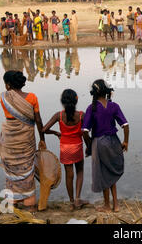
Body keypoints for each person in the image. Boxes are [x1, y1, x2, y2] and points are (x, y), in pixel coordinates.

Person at [0, 70, 46, 212]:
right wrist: (42, 139)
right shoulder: (32, 97)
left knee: (12, 169)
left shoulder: (4, 97)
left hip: (9, 139)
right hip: (26, 139)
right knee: (27, 168)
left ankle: (12, 201)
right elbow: (38, 120)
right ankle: (29, 204)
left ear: (8, 85)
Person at [82, 80, 130, 213]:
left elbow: (85, 131)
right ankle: (116, 205)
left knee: (103, 174)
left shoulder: (92, 108)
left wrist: (89, 144)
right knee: (111, 173)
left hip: (99, 142)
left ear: (94, 93)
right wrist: (125, 141)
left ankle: (107, 206)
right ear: (107, 92)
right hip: (114, 141)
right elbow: (125, 125)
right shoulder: (113, 106)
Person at [42, 89, 89, 210]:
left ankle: (72, 202)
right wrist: (90, 146)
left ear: (62, 101)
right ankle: (78, 198)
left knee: (69, 175)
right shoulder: (81, 115)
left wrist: (56, 133)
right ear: (76, 100)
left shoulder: (59, 115)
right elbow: (86, 132)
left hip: (65, 148)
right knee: (79, 172)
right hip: (77, 147)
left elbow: (44, 129)